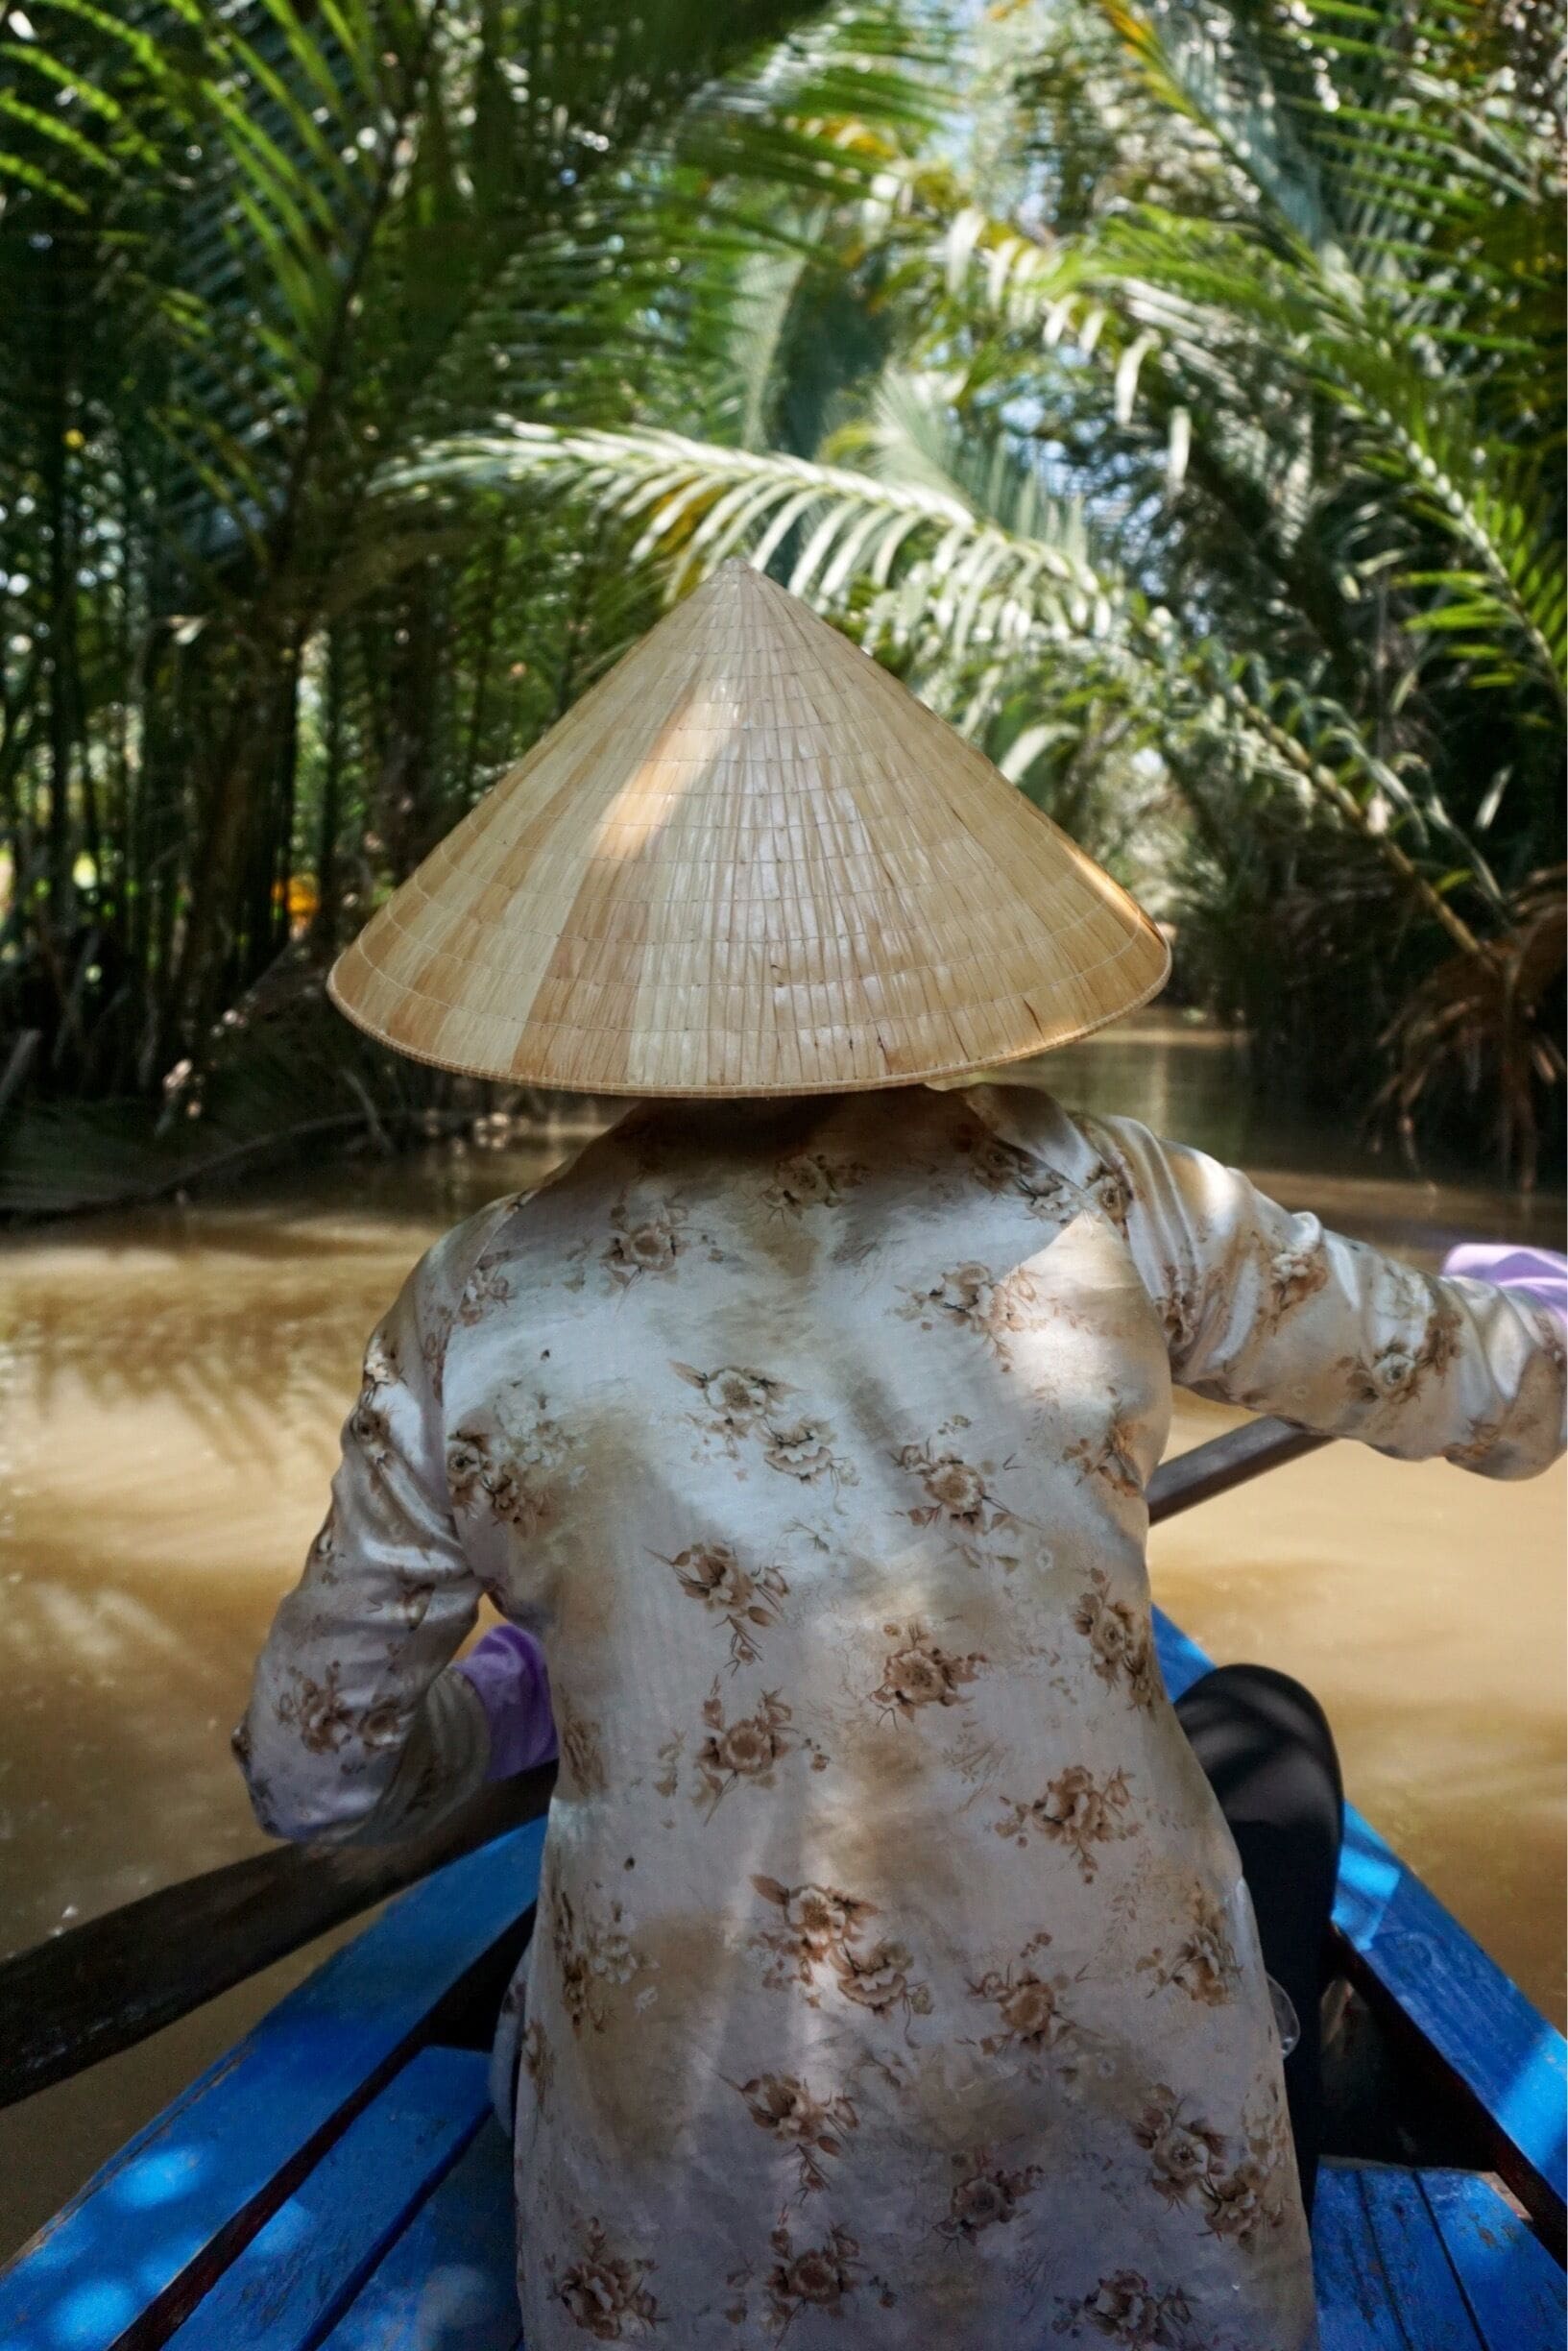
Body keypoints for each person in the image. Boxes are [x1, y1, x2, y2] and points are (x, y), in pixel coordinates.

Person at [234, 566, 1566, 2351]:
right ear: (920, 936)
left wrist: (506, 1704)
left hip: (692, 2204)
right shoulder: (1109, 1191)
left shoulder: (474, 1302)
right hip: (1114, 2162)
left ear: (585, 986)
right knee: (1272, 1728)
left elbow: (314, 1775)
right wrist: (1527, 1317)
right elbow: (1497, 1398)